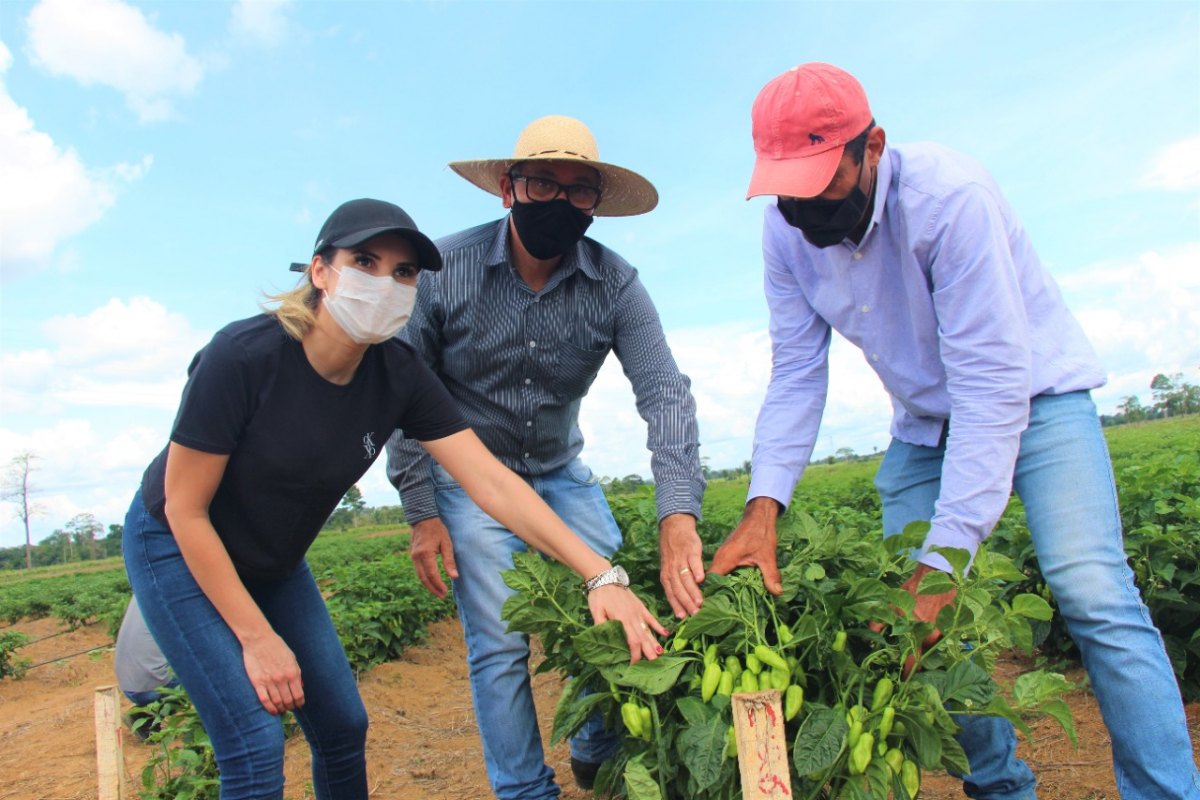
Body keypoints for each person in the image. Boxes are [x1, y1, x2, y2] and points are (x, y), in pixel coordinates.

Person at [712, 63, 1200, 800]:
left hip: (1036, 400)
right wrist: (762, 507)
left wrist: (944, 566)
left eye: (819, 183)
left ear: (871, 147)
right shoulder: (785, 236)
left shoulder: (950, 198)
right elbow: (796, 375)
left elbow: (991, 386)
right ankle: (1000, 789)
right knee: (914, 626)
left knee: (1091, 590)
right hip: (922, 427)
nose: (802, 207)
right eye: (786, 188)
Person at [122, 198, 667, 800]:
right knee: (254, 741)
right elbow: (185, 509)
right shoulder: (244, 357)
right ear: (319, 270)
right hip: (176, 546)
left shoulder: (398, 372)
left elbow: (489, 481)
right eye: (364, 262)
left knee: (342, 726)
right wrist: (257, 637)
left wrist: (600, 575)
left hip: (274, 561)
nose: (385, 283)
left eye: (403, 273)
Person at [386, 115, 707, 799]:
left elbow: (665, 394)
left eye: (578, 191)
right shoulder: (445, 273)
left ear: (595, 204)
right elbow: (401, 393)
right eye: (541, 184)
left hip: (559, 469)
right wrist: (422, 510)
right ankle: (526, 789)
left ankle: (595, 746)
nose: (559, 204)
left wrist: (678, 512)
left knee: (617, 597)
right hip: (467, 476)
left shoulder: (614, 284)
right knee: (501, 639)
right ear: (508, 188)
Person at [114, 596, 177, 741]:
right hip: (152, 685)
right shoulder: (181, 588)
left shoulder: (142, 587)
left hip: (128, 684)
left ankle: (145, 715)